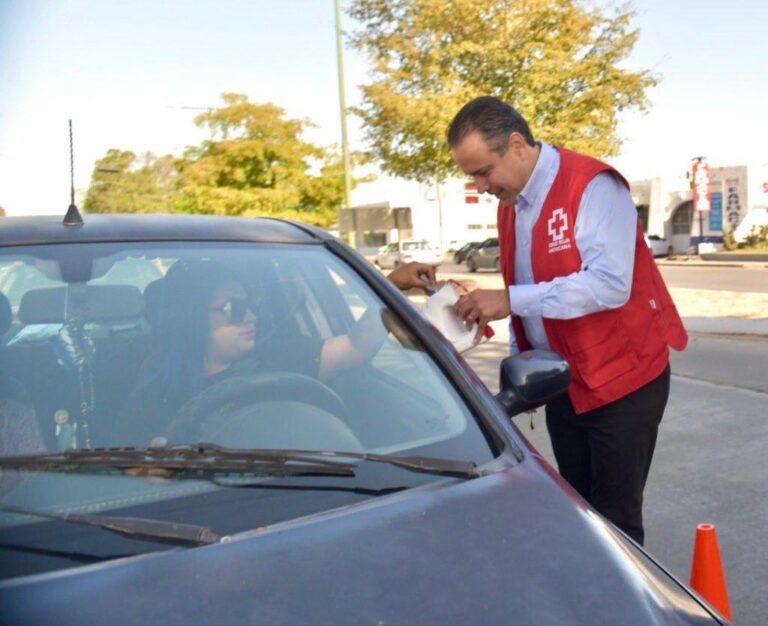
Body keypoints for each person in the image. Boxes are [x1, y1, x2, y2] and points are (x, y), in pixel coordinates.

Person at [448, 96, 687, 545]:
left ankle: (623, 608)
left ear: (517, 145)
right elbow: (527, 291)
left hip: (622, 381)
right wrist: (521, 361)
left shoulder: (592, 186)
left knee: (616, 521)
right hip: (565, 381)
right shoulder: (512, 204)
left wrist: (511, 299)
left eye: (483, 171)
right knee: (580, 512)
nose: (480, 185)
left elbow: (610, 284)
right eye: (471, 176)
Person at [114, 258, 435, 446]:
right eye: (234, 309)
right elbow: (131, 467)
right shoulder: (156, 389)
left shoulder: (276, 356)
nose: (251, 317)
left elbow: (355, 347)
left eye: (250, 306)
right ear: (194, 318)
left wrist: (392, 285)